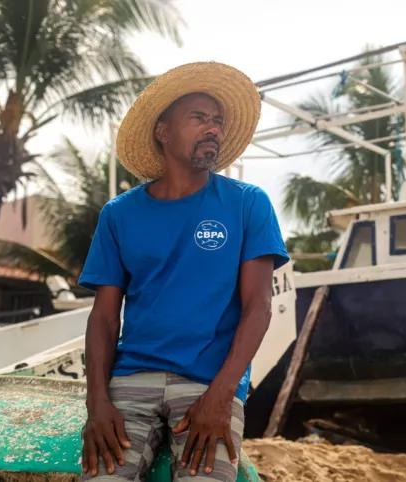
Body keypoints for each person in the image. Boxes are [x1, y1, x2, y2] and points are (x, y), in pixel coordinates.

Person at [78, 61, 289, 482]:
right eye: (199, 118)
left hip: (209, 381)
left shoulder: (248, 203)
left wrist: (222, 396)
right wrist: (97, 403)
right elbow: (103, 316)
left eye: (217, 121)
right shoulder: (119, 214)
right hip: (131, 378)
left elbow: (259, 307)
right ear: (163, 131)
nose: (212, 128)